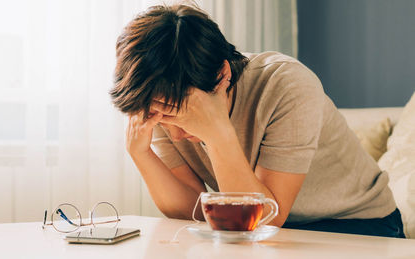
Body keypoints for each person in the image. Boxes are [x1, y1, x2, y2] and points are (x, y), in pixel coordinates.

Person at [109, 4, 405, 238]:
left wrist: (218, 133)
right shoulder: (163, 105)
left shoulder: (288, 85)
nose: (174, 135)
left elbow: (267, 217)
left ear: (222, 77)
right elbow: (195, 211)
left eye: (180, 117)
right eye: (159, 119)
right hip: (274, 232)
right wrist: (141, 154)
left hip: (361, 224)